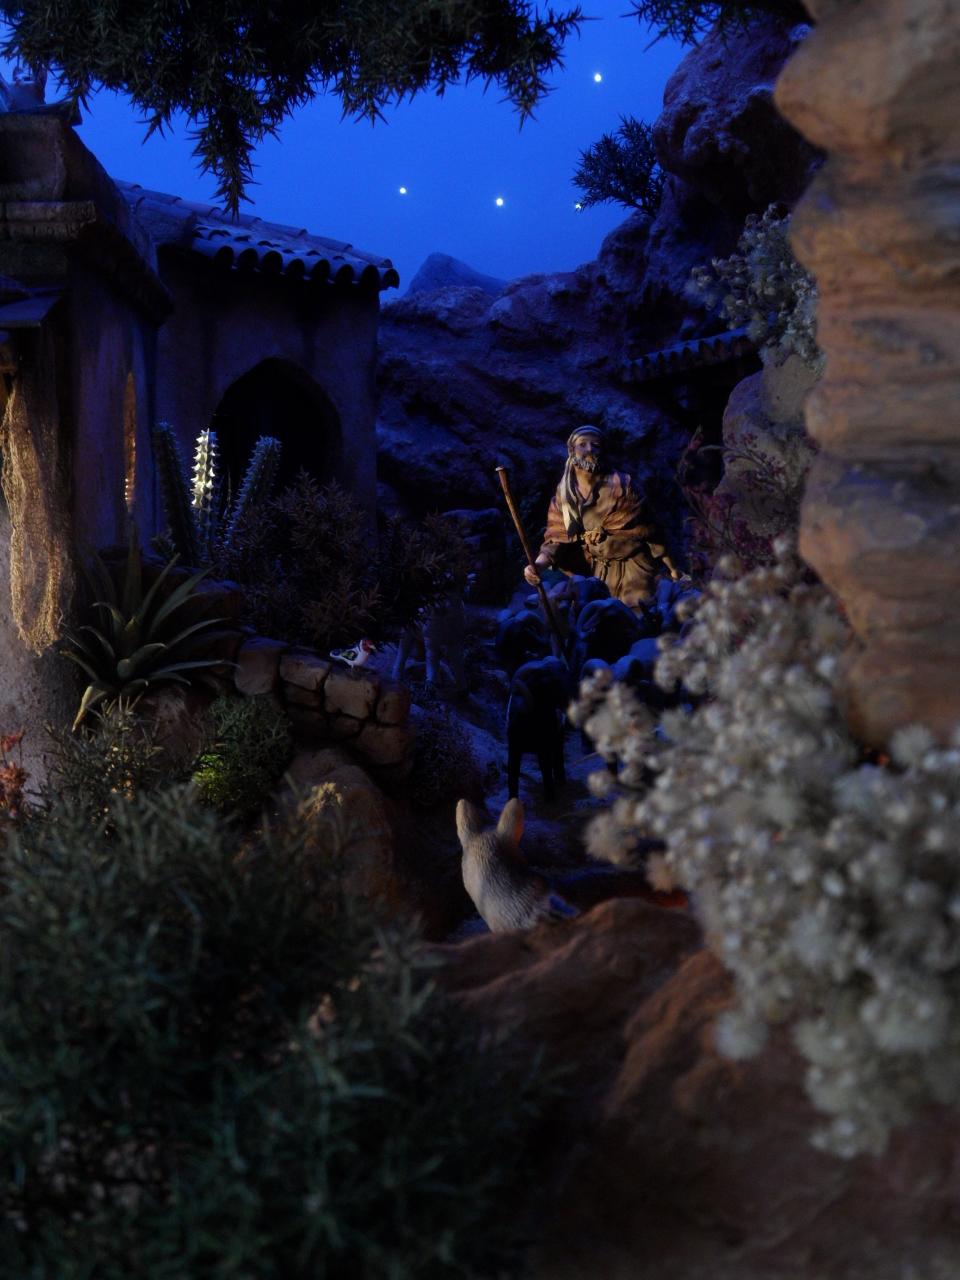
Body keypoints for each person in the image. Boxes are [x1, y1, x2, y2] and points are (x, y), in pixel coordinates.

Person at [523, 425, 681, 608]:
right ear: (571, 450)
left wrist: (672, 568)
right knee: (595, 614)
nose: (590, 449)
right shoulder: (564, 495)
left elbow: (650, 530)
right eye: (583, 444)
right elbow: (555, 540)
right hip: (596, 572)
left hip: (633, 568)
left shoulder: (623, 486)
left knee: (637, 612)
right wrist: (537, 567)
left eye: (595, 445)